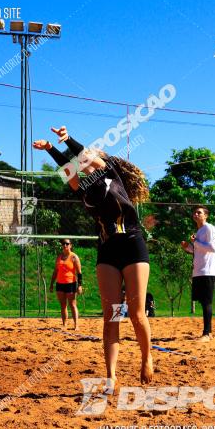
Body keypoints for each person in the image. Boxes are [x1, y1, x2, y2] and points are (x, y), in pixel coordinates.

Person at [34, 126, 153, 385]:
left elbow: (85, 156)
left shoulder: (110, 174)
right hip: (108, 250)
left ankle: (146, 359)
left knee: (136, 314)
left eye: (89, 157)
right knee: (111, 316)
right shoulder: (83, 189)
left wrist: (67, 140)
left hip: (133, 244)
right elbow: (68, 170)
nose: (83, 161)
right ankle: (111, 376)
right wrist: (51, 149)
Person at [181, 205, 215, 342]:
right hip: (199, 271)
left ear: (206, 216)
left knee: (207, 302)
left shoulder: (209, 228)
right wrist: (188, 248)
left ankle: (207, 333)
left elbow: (212, 248)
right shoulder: (199, 231)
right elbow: (198, 250)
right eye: (195, 212)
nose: (196, 214)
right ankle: (207, 332)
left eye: (199, 212)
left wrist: (195, 242)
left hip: (208, 271)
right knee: (203, 302)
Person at [50, 239, 82, 330]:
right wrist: (51, 284)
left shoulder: (74, 257)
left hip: (70, 283)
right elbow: (55, 271)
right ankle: (64, 324)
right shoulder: (59, 257)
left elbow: (79, 272)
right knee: (63, 305)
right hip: (60, 283)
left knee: (72, 304)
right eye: (63, 244)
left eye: (67, 244)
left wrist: (79, 285)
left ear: (70, 245)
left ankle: (76, 325)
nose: (65, 245)